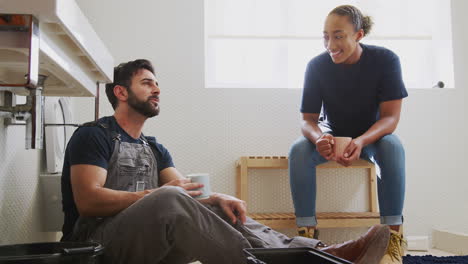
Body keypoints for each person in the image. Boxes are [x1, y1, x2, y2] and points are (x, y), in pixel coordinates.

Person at [61, 59, 390, 264]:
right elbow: (88, 201)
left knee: (220, 207)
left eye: (158, 84)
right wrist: (151, 196)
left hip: (148, 247)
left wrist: (215, 198)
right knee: (170, 197)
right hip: (96, 248)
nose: (157, 89)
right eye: (147, 83)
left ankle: (317, 254)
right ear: (120, 92)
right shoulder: (95, 135)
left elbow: (190, 196)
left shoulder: (153, 146)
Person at [288, 5, 408, 264]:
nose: (330, 44)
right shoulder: (316, 66)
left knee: (393, 147)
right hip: (333, 137)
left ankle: (391, 241)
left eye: (339, 36)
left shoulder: (386, 60)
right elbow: (307, 120)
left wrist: (362, 140)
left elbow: (390, 118)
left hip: (372, 138)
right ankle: (307, 237)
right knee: (298, 150)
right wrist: (319, 138)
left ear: (359, 35)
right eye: (326, 36)